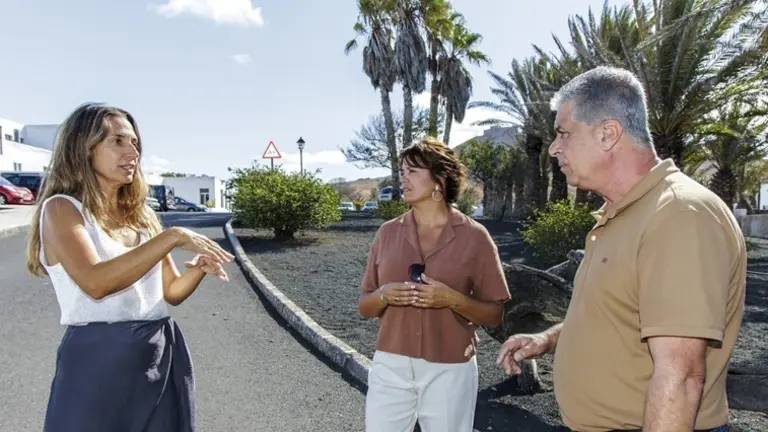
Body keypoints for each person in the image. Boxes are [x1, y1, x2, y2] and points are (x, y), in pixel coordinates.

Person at [497, 66, 745, 432]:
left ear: (608, 134)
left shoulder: (678, 215)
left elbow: (681, 377)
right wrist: (547, 339)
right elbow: (617, 317)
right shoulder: (621, 214)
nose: (553, 148)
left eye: (564, 133)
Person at [26, 102, 235, 432]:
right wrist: (172, 237)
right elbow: (96, 282)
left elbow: (171, 292)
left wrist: (198, 269)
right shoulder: (62, 209)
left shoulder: (142, 216)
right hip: (96, 362)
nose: (132, 152)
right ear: (84, 148)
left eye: (135, 143)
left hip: (158, 353)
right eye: (118, 141)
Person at [358, 137, 511, 432]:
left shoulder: (475, 237)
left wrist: (451, 299)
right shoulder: (386, 234)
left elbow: (494, 314)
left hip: (450, 368)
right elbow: (365, 306)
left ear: (439, 180)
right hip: (390, 365)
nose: (403, 179)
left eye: (413, 172)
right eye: (402, 172)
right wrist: (384, 295)